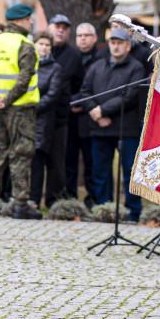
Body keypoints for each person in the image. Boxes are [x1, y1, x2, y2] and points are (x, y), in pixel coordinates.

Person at [0, 4, 43, 219]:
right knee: (20, 154)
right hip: (21, 109)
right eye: (29, 19)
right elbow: (24, 79)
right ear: (20, 21)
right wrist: (7, 100)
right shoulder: (25, 45)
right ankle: (20, 204)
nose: (31, 22)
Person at [77, 28, 145, 222]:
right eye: (113, 42)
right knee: (100, 172)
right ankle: (103, 209)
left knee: (129, 172)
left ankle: (133, 211)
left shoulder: (136, 67)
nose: (115, 46)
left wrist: (103, 111)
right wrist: (96, 114)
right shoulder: (97, 66)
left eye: (120, 42)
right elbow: (85, 92)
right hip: (100, 127)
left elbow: (129, 95)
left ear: (128, 45)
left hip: (127, 129)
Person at [48, 14, 82, 204]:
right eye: (57, 26)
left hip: (64, 116)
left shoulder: (73, 55)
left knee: (62, 159)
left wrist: (73, 102)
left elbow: (80, 84)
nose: (60, 30)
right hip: (40, 112)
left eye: (64, 27)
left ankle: (58, 197)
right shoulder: (41, 50)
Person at [67, 22, 102, 202]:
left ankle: (93, 197)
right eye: (79, 35)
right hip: (71, 116)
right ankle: (70, 195)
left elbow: (98, 85)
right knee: (70, 158)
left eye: (86, 35)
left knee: (91, 160)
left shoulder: (101, 58)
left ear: (94, 38)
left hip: (91, 116)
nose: (82, 38)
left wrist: (82, 100)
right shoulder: (72, 56)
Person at [30, 30, 65, 208]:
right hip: (24, 121)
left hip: (42, 122)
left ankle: (34, 201)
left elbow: (52, 95)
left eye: (47, 45)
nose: (43, 48)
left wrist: (30, 107)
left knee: (38, 163)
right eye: (40, 44)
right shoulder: (27, 65)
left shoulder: (55, 69)